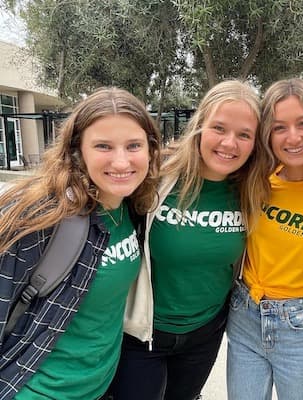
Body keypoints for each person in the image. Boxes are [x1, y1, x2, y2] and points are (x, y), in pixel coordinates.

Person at [0, 87, 162, 399]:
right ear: (78, 151)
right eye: (103, 146)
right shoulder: (43, 215)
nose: (120, 161)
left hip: (99, 387)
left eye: (133, 146)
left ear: (150, 150)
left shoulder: (132, 205)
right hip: (37, 390)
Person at [106, 79, 263, 400]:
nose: (230, 143)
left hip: (204, 335)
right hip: (142, 335)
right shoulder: (155, 176)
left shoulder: (253, 190)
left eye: (244, 134)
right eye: (219, 128)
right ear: (200, 125)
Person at [226, 78, 303, 400]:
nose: (293, 137)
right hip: (245, 313)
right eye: (279, 127)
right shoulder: (254, 182)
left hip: (299, 327)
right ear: (267, 135)